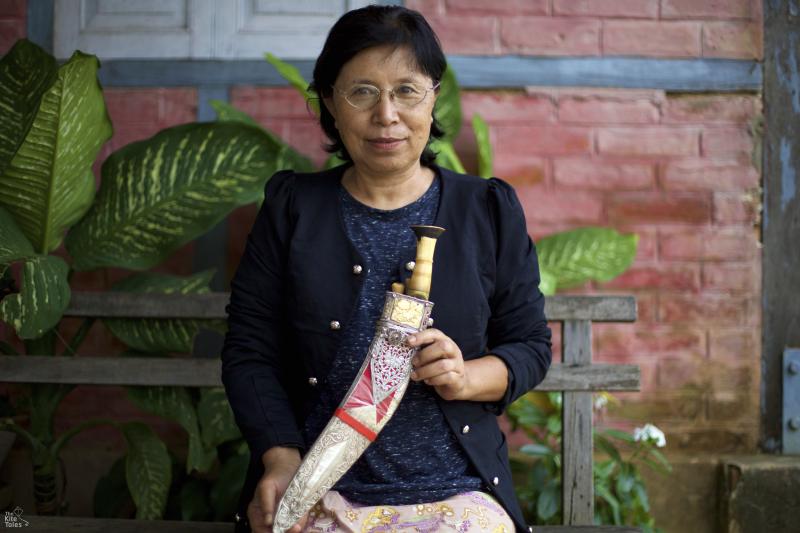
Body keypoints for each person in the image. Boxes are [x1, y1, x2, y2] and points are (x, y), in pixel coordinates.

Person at [221, 5, 552, 533]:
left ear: (434, 95)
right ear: (329, 101)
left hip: (456, 492)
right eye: (362, 92)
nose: (387, 115)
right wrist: (281, 458)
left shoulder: (486, 209)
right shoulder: (292, 207)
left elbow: (530, 346)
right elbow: (250, 348)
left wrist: (465, 377)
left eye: (406, 90)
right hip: (321, 488)